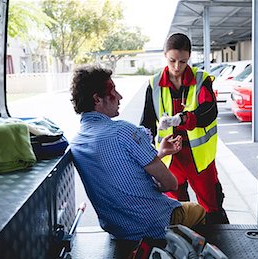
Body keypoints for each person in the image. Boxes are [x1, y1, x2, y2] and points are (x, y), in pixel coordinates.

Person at [69, 64, 206, 241]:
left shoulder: (78, 141)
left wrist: (161, 153)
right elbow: (170, 184)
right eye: (113, 91)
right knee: (198, 209)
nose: (120, 97)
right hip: (154, 224)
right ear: (97, 99)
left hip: (118, 230)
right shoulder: (122, 131)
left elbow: (122, 172)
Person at [140, 33, 229, 224]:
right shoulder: (154, 85)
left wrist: (182, 118)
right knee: (175, 209)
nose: (177, 67)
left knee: (211, 205)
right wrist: (144, 152)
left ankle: (220, 243)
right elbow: (147, 123)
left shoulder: (202, 80)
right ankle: (184, 248)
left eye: (183, 61)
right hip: (172, 158)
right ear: (165, 55)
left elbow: (209, 112)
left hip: (198, 158)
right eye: (172, 60)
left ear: (189, 57)